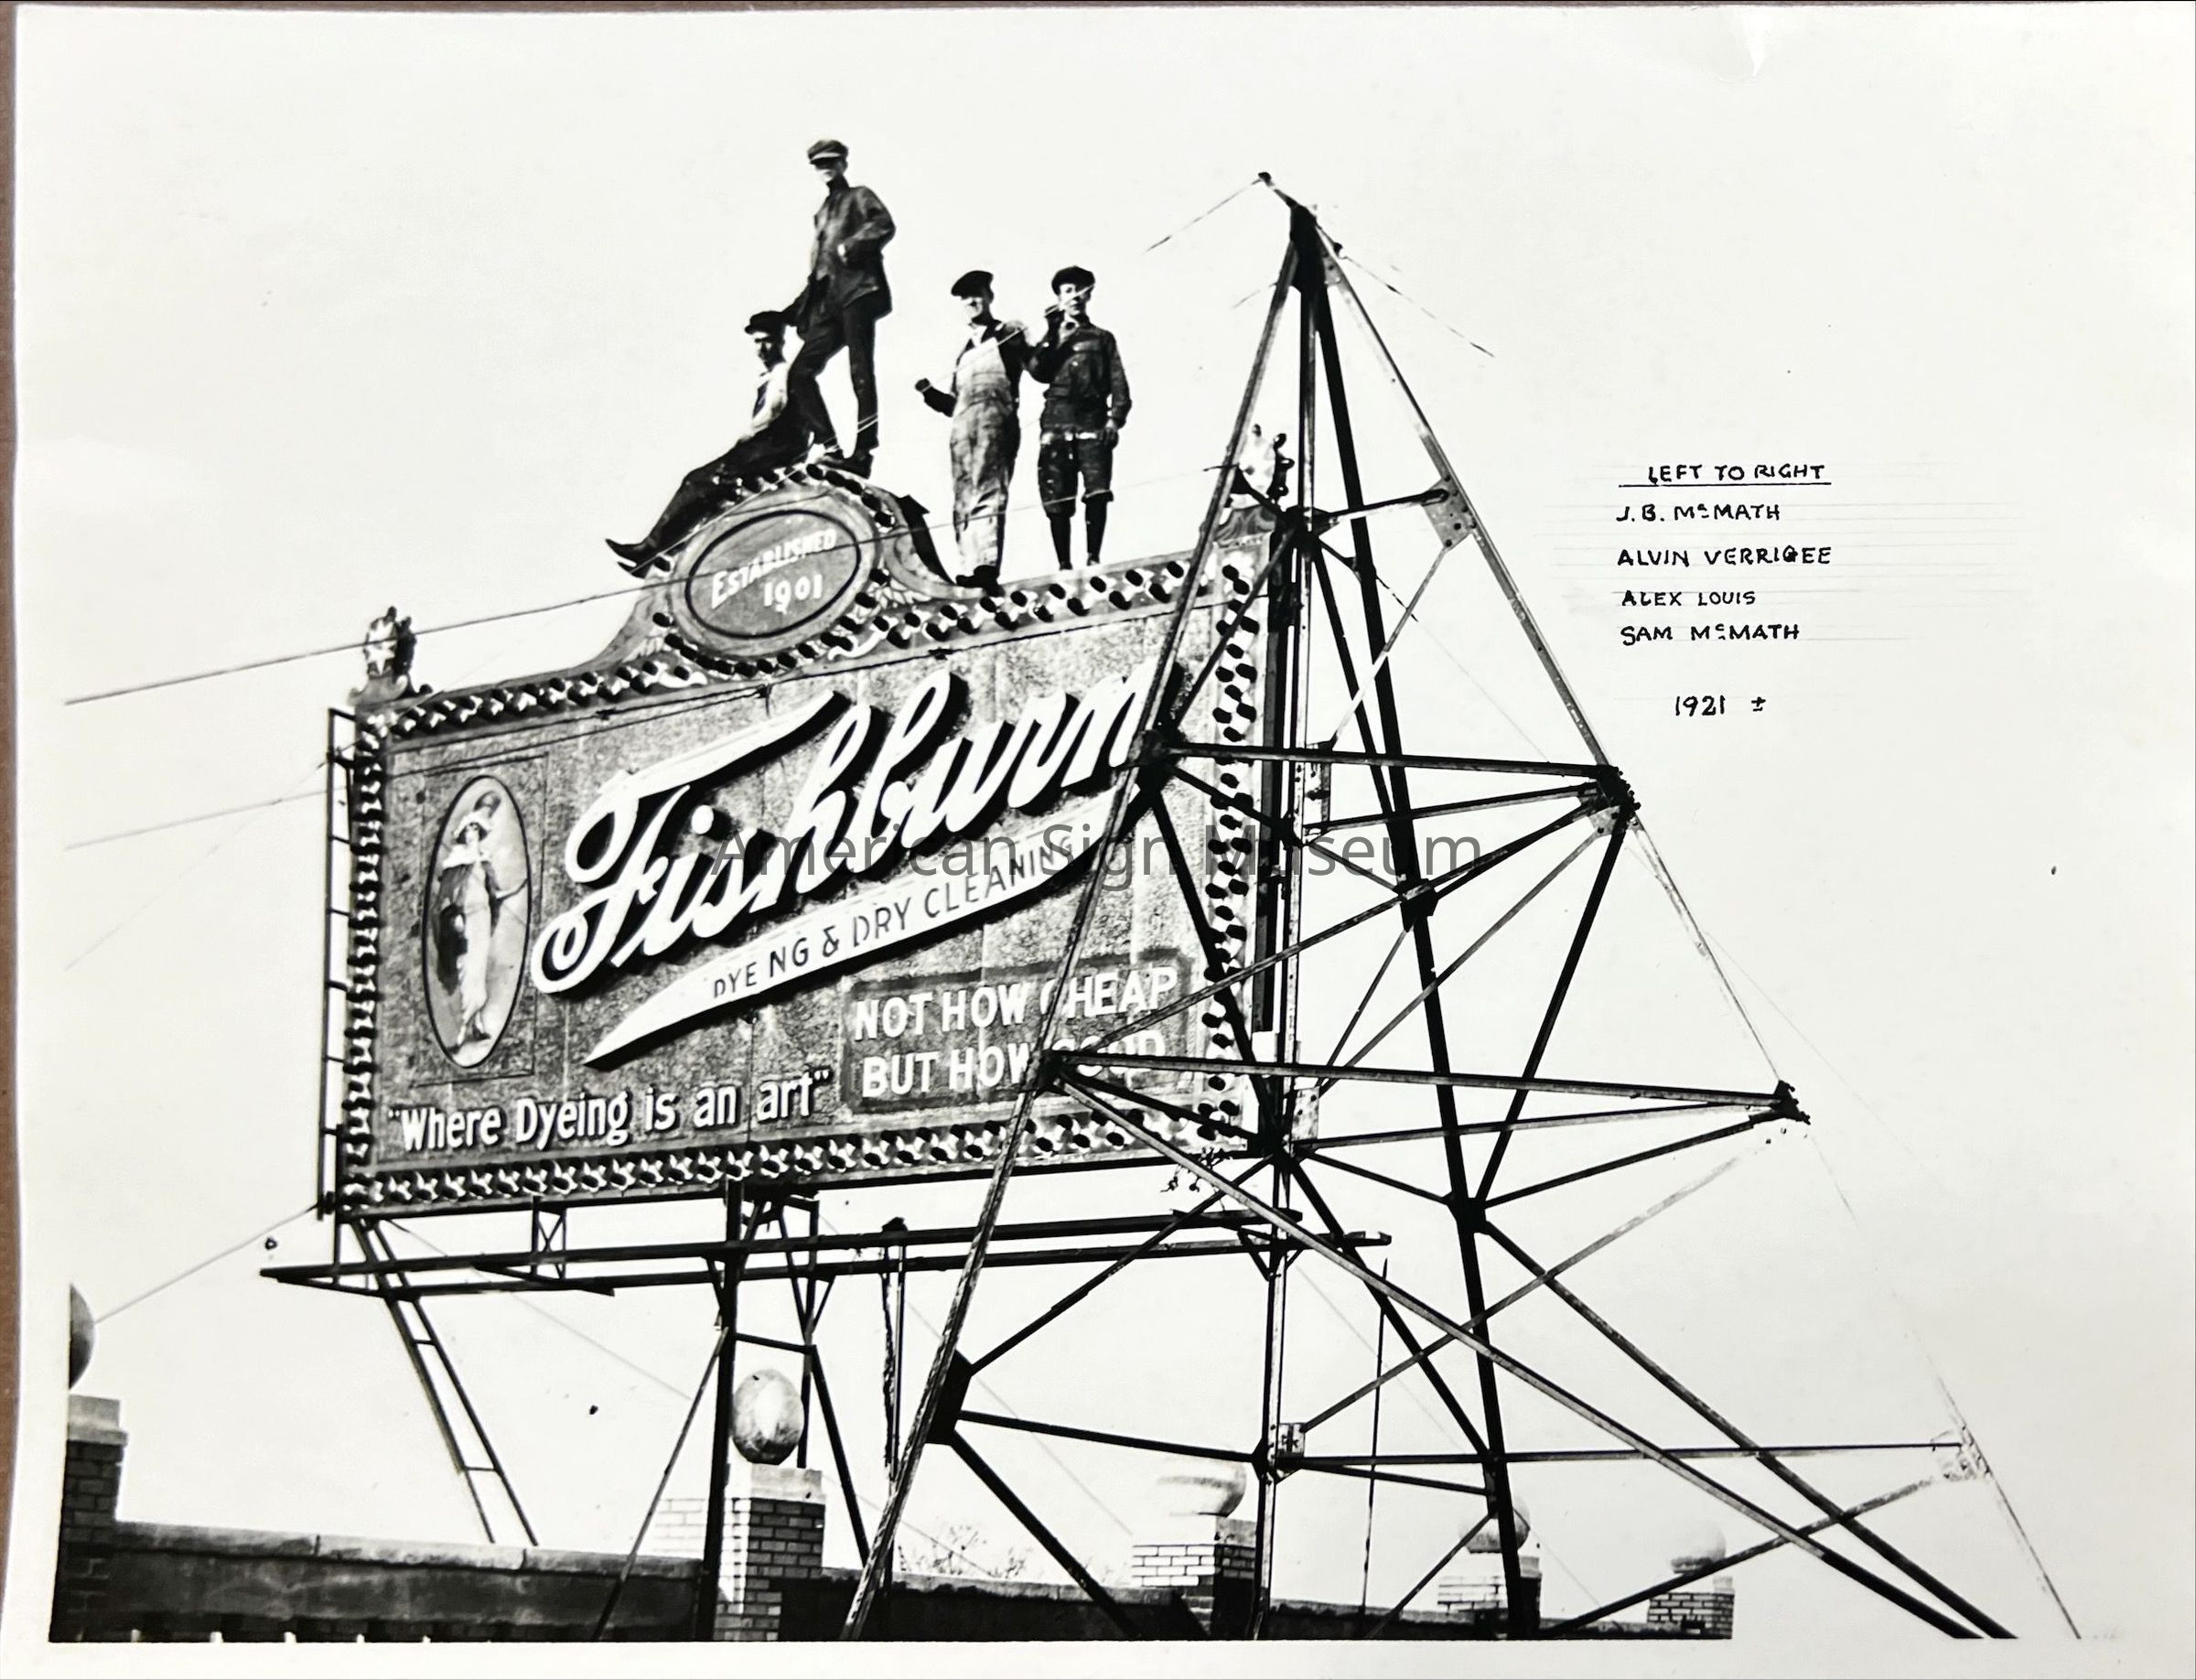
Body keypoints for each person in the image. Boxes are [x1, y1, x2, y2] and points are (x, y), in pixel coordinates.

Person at [606, 310, 818, 570]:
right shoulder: (770, 375)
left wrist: (749, 433)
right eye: (757, 342)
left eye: (767, 341)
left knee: (699, 481)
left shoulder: (781, 372)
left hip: (774, 445)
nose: (762, 348)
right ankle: (656, 553)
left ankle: (652, 549)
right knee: (704, 487)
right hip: (772, 446)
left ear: (780, 341)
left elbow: (775, 407)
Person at [783, 138, 895, 478]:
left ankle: (864, 451)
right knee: (799, 373)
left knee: (860, 372)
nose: (826, 169)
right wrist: (790, 312)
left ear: (844, 164)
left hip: (858, 292)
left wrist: (853, 245)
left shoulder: (859, 196)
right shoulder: (821, 213)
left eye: (831, 162)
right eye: (820, 165)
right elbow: (818, 272)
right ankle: (830, 446)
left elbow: (884, 224)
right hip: (830, 302)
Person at [916, 270, 1028, 587]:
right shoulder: (964, 352)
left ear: (990, 296)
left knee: (988, 487)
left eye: (977, 294)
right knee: (963, 495)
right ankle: (967, 567)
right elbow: (954, 404)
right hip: (962, 427)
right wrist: (930, 396)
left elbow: (1035, 364)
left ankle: (986, 565)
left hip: (996, 417)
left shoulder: (1006, 333)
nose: (972, 301)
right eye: (966, 297)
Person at [1027, 264, 1131, 568]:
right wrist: (1052, 334)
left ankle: (1093, 556)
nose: (1075, 297)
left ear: (1090, 295)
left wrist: (1115, 419)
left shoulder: (1102, 338)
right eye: (1068, 291)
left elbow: (1118, 381)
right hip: (1056, 423)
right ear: (1059, 297)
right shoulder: (1052, 338)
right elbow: (1038, 373)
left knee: (1097, 491)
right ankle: (1063, 564)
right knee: (1057, 497)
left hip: (1092, 420)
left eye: (1081, 290)